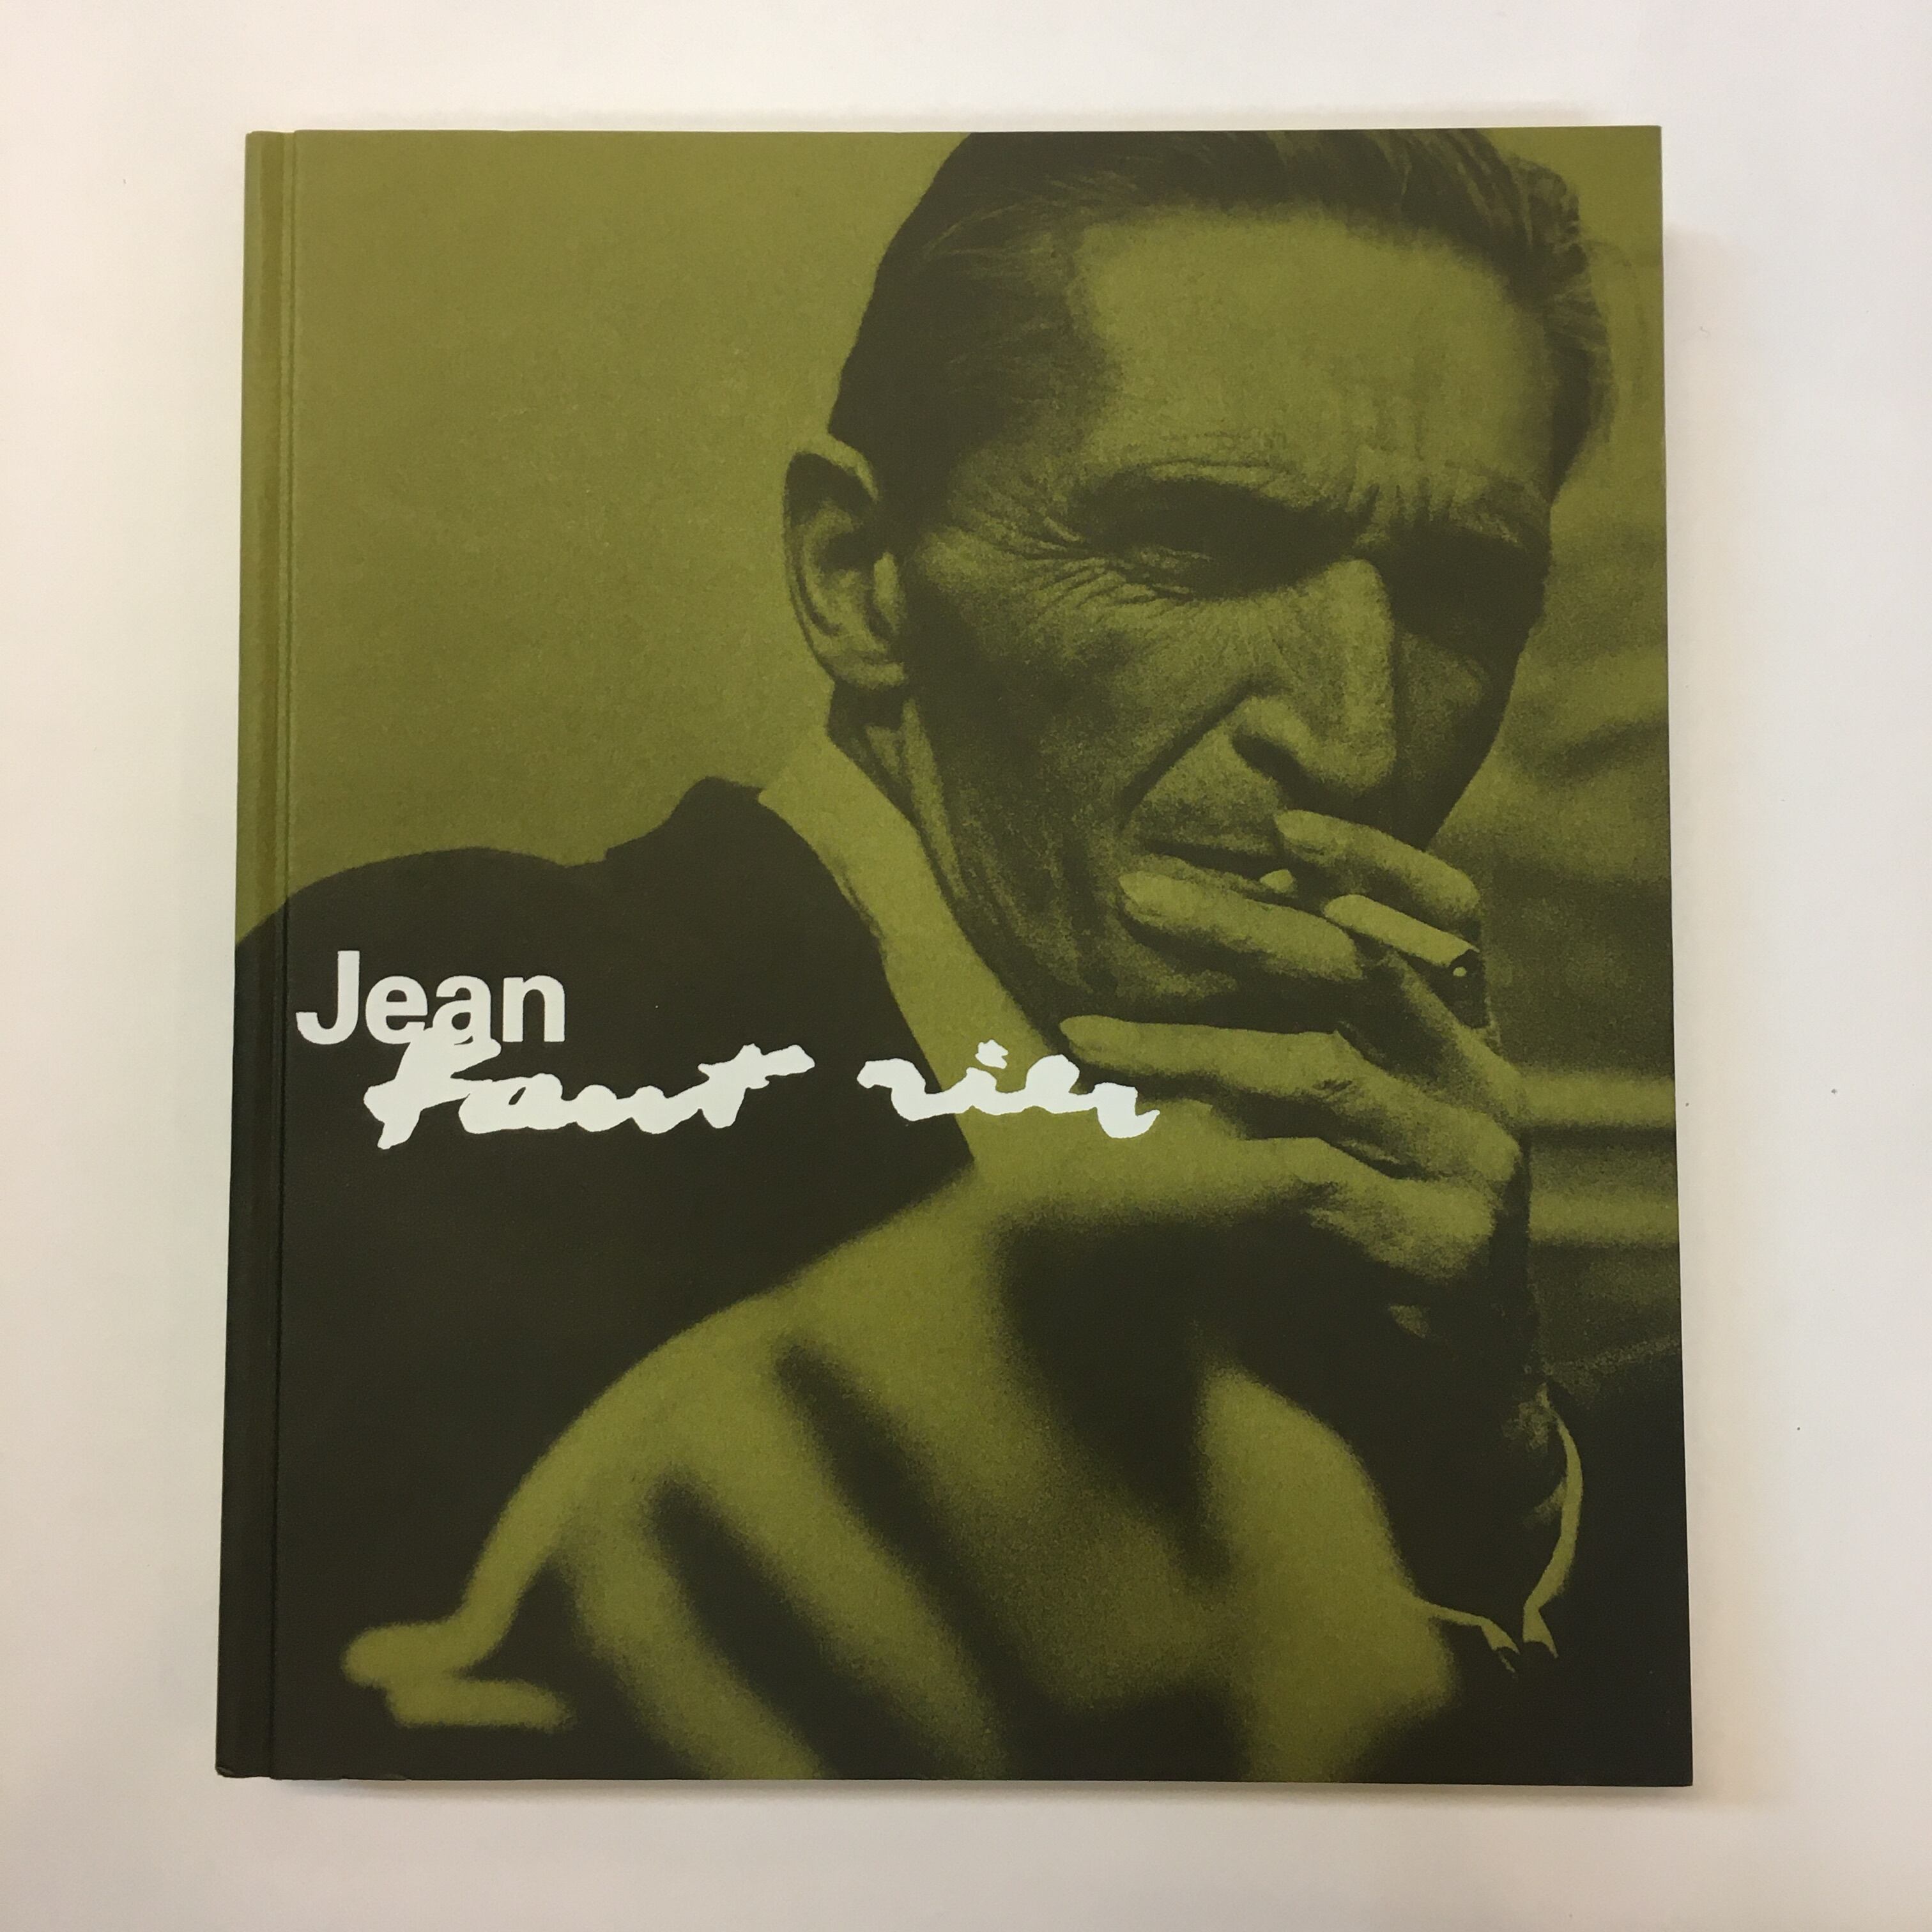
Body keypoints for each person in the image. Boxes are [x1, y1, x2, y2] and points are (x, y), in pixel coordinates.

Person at [226, 130, 1686, 1782]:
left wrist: (1489, 1473)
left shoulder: (1385, 1252)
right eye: (1196, 544)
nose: (1354, 738)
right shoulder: (443, 1016)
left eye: (1461, 591)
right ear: (858, 582)